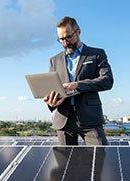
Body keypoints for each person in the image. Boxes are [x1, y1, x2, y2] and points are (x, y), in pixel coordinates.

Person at [44, 16, 114, 145]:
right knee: (66, 164)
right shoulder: (54, 60)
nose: (66, 42)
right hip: (63, 120)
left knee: (99, 160)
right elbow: (52, 88)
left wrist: (78, 85)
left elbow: (107, 80)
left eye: (68, 37)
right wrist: (51, 102)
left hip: (90, 119)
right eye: (61, 39)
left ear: (79, 32)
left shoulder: (97, 54)